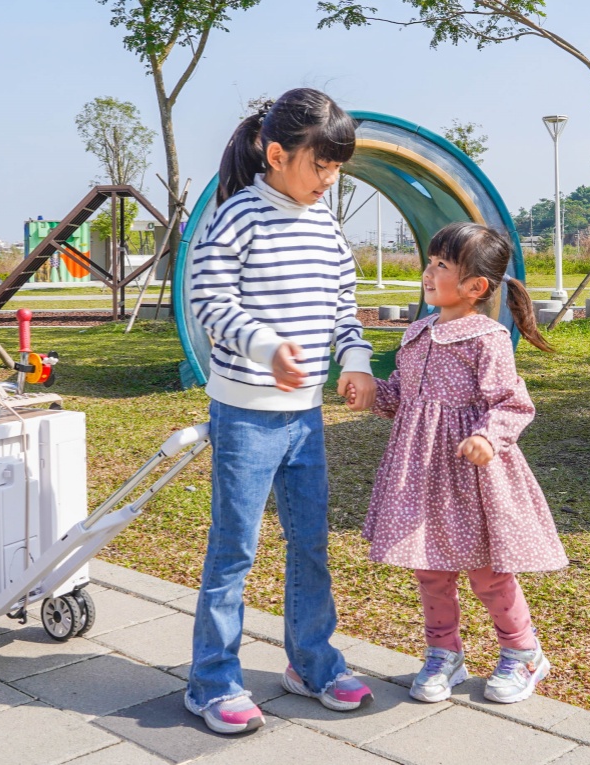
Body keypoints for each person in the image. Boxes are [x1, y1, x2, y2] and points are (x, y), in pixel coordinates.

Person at [185, 88, 377, 735]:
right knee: (234, 548)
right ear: (276, 153)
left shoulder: (325, 228)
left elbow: (342, 310)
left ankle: (312, 661)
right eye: (321, 166)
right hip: (245, 415)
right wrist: (266, 348)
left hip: (304, 420)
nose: (330, 180)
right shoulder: (234, 217)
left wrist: (354, 361)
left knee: (311, 544)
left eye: (336, 169)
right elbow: (209, 301)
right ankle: (212, 680)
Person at [352, 221, 567, 706]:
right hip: (420, 475)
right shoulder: (417, 332)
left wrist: (487, 438)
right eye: (429, 262)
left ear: (475, 287)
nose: (428, 272)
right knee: (429, 568)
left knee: (487, 573)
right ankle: (443, 652)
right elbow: (405, 401)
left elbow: (511, 404)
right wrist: (370, 394)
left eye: (442, 265)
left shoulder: (486, 339)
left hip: (471, 477)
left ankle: (523, 652)